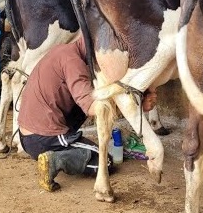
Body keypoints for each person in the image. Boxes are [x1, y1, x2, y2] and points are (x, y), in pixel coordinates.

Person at [17, 35, 157, 192]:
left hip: (27, 135)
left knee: (91, 95)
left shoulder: (63, 51)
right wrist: (134, 104)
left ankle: (55, 152)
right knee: (106, 162)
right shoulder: (73, 62)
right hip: (44, 138)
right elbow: (93, 108)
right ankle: (55, 160)